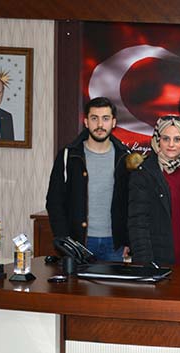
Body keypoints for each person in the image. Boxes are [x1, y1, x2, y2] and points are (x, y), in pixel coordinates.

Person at [46, 97, 130, 261]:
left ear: (113, 122)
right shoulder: (68, 156)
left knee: (114, 280)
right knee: (77, 280)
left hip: (115, 245)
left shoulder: (125, 157)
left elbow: (132, 203)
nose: (100, 124)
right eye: (94, 118)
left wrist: (128, 240)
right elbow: (54, 201)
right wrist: (65, 241)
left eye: (105, 118)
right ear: (86, 122)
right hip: (79, 243)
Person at [128, 115, 180, 266]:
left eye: (177, 139)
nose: (171, 144)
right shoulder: (143, 173)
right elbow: (138, 222)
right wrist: (145, 263)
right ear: (157, 140)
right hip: (158, 258)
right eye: (165, 139)